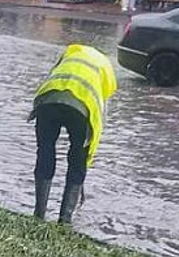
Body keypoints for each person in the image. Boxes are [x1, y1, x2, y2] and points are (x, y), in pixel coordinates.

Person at [29, 44, 118, 224]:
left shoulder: (70, 53)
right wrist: (84, 163)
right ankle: (65, 220)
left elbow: (51, 76)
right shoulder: (105, 73)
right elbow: (95, 133)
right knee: (77, 160)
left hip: (48, 101)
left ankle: (38, 215)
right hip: (80, 110)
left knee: (45, 153)